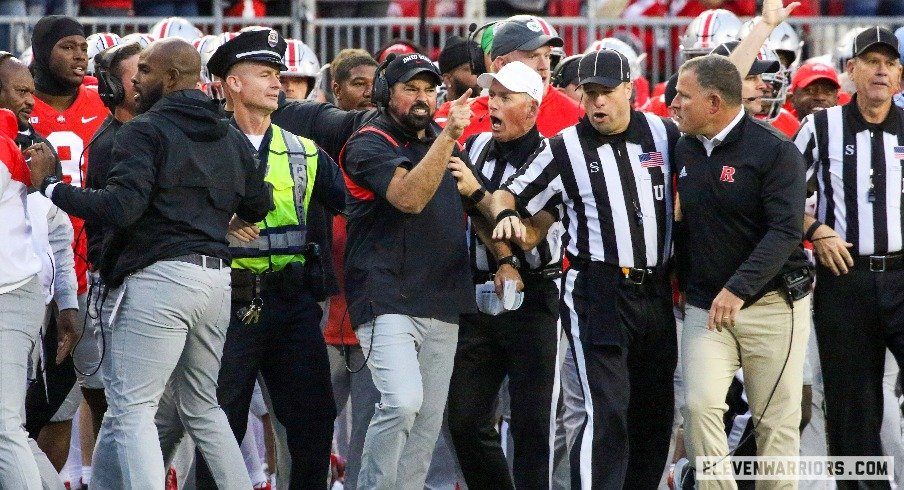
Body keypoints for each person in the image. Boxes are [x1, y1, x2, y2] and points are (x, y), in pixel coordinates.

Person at [28, 37, 273, 489]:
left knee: (131, 409)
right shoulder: (228, 132)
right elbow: (260, 203)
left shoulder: (145, 130)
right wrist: (209, 219)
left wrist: (51, 188)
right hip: (216, 280)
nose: (136, 81)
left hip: (160, 279)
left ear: (172, 78)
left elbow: (121, 207)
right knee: (203, 407)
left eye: (145, 71)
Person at [489, 49, 679, 489]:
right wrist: (503, 215)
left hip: (655, 289)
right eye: (589, 93)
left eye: (607, 93)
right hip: (599, 288)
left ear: (629, 89)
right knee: (605, 408)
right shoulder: (564, 148)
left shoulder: (663, 132)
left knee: (655, 412)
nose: (597, 103)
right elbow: (509, 193)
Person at [192, 29, 345, 489]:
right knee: (220, 425)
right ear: (231, 83)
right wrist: (218, 224)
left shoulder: (303, 149)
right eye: (265, 74)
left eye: (278, 74)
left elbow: (356, 207)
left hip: (293, 301)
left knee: (315, 422)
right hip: (226, 303)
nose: (277, 83)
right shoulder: (203, 146)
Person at [670, 54, 811, 489]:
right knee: (698, 407)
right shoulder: (685, 146)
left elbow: (786, 229)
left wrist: (738, 287)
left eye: (683, 96)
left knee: (775, 424)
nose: (673, 104)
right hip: (706, 305)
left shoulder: (775, 151)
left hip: (773, 304)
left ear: (714, 103)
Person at [339, 52, 475, 490]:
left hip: (442, 294)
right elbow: (408, 197)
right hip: (385, 295)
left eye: (428, 89)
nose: (422, 99)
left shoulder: (446, 139)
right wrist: (449, 137)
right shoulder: (369, 141)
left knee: (427, 422)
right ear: (385, 93)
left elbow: (478, 205)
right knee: (401, 402)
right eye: (409, 89)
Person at [793, 26, 904, 490]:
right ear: (852, 70)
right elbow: (779, 195)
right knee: (850, 406)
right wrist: (816, 230)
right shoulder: (821, 126)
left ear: (900, 76)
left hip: (902, 274)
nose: (880, 71)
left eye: (889, 63)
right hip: (846, 279)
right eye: (870, 62)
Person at [445, 60, 563, 489]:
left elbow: (524, 233)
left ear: (532, 108)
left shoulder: (553, 156)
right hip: (478, 295)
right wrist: (501, 256)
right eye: (490, 95)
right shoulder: (473, 147)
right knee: (464, 418)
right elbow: (484, 220)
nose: (492, 104)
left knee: (532, 424)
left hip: (534, 297)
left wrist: (475, 194)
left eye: (505, 97)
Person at [27, 14, 108, 471]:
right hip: (31, 271)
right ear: (41, 51)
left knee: (93, 395)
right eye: (67, 47)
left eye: (83, 46)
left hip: (91, 268)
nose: (80, 56)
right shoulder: (18, 105)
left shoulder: (105, 99)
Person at [0, 103, 51, 489]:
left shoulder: (4, 149)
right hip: (17, 291)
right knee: (9, 428)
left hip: (9, 297)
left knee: (4, 429)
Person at [433, 15, 584, 142]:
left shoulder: (581, 117)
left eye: (547, 56)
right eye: (532, 56)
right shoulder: (454, 118)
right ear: (501, 64)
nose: (544, 66)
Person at [437, 36, 480, 103]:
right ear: (447, 79)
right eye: (472, 69)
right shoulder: (431, 110)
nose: (480, 74)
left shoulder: (493, 108)